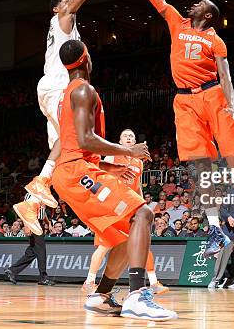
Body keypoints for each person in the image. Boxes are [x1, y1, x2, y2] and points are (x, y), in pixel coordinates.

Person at [110, 0, 234, 259]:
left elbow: (226, 75)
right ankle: (215, 231)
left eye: (200, 4)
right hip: (185, 103)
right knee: (201, 169)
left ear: (208, 14)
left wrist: (233, 106)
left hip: (214, 96)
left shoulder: (215, 39)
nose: (193, 4)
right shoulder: (176, 23)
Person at [50, 39, 176, 320]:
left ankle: (102, 296)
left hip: (76, 170)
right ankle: (137, 296)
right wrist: (126, 151)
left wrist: (108, 166)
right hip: (76, 172)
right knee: (142, 213)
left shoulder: (69, 92)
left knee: (123, 238)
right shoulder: (83, 90)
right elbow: (85, 139)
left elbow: (74, 143)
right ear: (86, 60)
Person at [18, 0, 113, 219]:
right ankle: (42, 183)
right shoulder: (62, 17)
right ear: (58, 8)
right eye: (65, 1)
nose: (70, 2)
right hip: (60, 84)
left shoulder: (61, 30)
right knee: (74, 141)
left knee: (62, 152)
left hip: (48, 86)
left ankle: (32, 202)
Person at [83, 129, 168, 295]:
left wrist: (143, 205)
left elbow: (137, 187)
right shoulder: (112, 156)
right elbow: (99, 177)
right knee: (104, 246)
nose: (129, 138)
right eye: (126, 136)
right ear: (120, 142)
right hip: (112, 206)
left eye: (132, 137)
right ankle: (89, 281)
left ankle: (153, 282)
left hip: (130, 207)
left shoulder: (139, 162)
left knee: (141, 242)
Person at [4, 205, 55, 286]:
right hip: (33, 225)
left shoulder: (41, 196)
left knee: (31, 253)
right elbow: (26, 211)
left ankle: (12, 270)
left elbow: (42, 212)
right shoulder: (31, 195)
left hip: (38, 225)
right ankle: (43, 278)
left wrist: (48, 223)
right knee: (41, 253)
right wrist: (27, 226)